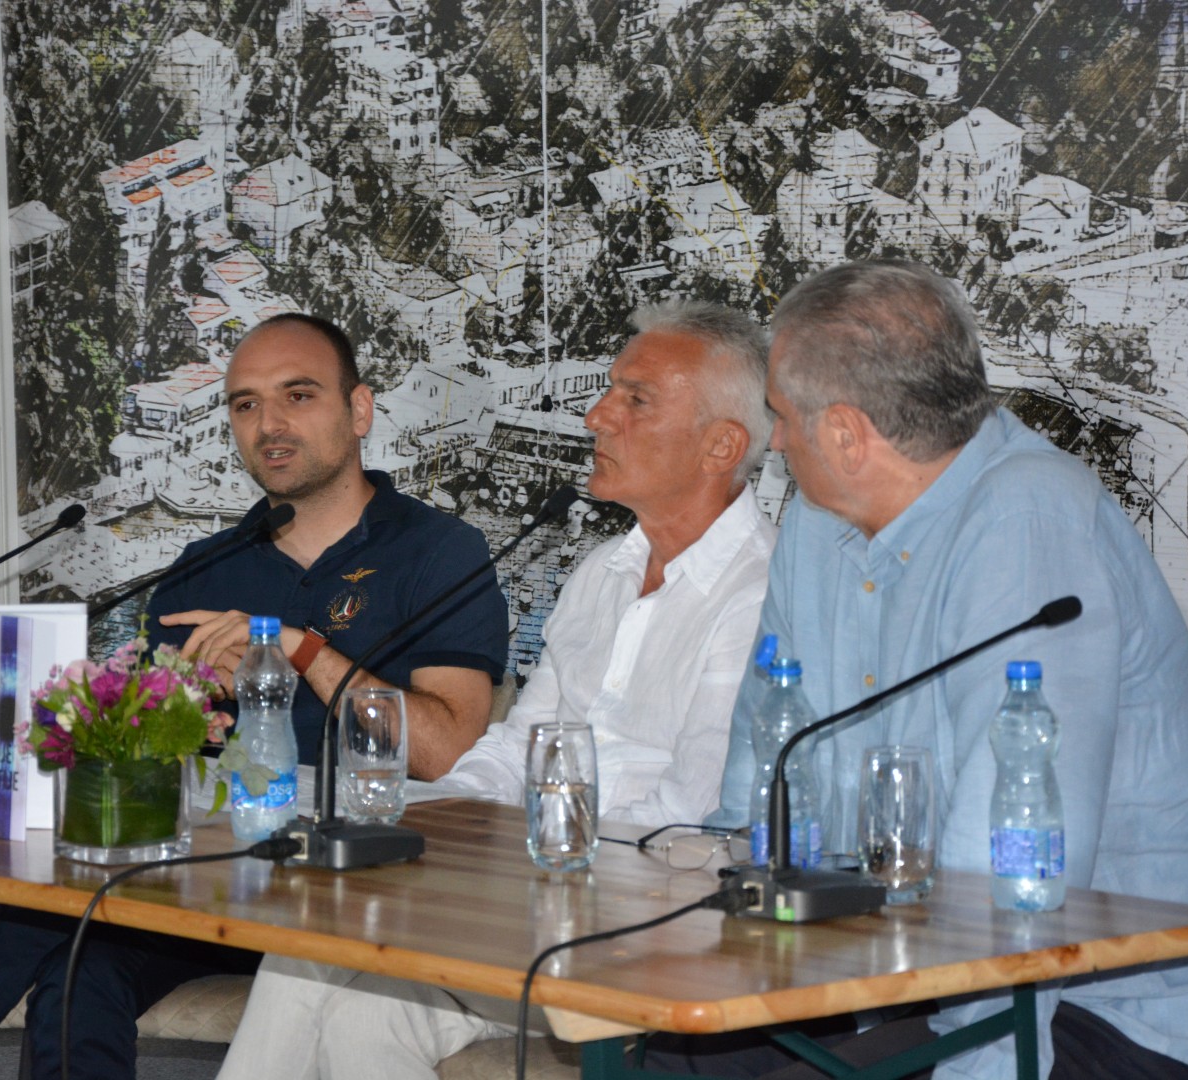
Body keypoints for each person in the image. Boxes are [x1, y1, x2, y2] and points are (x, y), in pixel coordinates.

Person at [0, 314, 509, 1080]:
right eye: (246, 404)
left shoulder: (440, 550)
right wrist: (162, 716)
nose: (269, 423)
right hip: (216, 874)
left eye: (298, 395)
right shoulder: (205, 567)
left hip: (366, 878)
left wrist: (301, 650)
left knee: (83, 912)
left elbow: (445, 750)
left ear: (358, 410)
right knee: (81, 965)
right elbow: (159, 761)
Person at [672, 260, 1188, 1079]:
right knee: (653, 1057)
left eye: (782, 416)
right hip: (880, 974)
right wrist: (723, 929)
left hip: (1095, 1005)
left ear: (845, 434)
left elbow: (1012, 879)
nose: (775, 439)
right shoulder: (815, 522)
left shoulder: (1029, 519)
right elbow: (765, 754)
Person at [214, 300, 779, 1080]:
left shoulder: (762, 594)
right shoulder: (602, 573)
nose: (596, 416)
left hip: (649, 925)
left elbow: (694, 820)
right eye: (607, 391)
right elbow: (517, 746)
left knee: (322, 951)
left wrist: (499, 859)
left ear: (722, 445)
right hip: (534, 895)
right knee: (333, 976)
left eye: (635, 399)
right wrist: (426, 821)